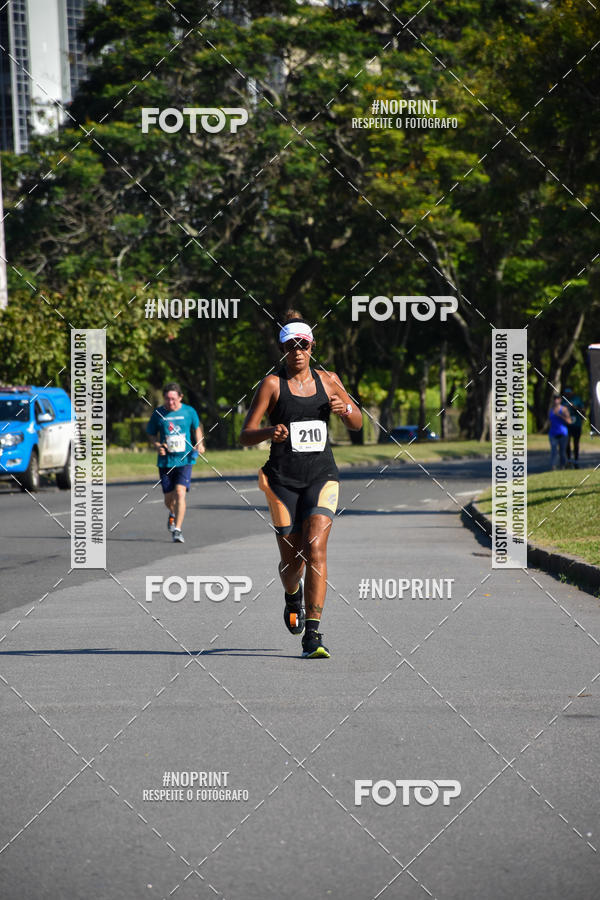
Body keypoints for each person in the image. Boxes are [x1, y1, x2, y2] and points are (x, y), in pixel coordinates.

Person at [240, 312, 363, 658]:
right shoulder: (272, 385)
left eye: (303, 345)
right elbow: (245, 434)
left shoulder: (330, 380)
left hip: (322, 476)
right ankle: (291, 594)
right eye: (290, 346)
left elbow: (357, 423)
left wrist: (345, 408)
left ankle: (313, 634)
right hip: (282, 481)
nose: (297, 352)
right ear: (282, 349)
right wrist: (269, 431)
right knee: (292, 562)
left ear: (312, 347)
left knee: (316, 550)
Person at [146, 382, 204, 543]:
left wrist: (200, 443)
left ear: (180, 397)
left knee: (180, 493)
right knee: (168, 499)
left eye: (173, 399)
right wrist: (158, 446)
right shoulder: (158, 413)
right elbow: (151, 434)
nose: (170, 402)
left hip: (185, 460)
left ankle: (177, 530)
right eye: (167, 399)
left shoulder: (189, 411)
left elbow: (197, 427)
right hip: (165, 462)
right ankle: (172, 513)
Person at [548, 394, 571, 471]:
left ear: (560, 400)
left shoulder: (564, 409)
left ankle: (563, 466)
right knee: (554, 451)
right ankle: (553, 467)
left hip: (563, 433)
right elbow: (550, 421)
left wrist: (560, 415)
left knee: (562, 451)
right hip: (553, 433)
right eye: (554, 399)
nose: (556, 400)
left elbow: (569, 421)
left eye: (557, 399)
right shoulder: (551, 409)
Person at [563, 387, 585, 468]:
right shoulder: (563, 400)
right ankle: (568, 461)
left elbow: (583, 411)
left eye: (569, 392)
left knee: (576, 443)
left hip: (576, 425)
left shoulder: (577, 399)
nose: (568, 394)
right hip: (566, 425)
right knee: (567, 443)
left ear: (572, 392)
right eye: (566, 392)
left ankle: (576, 461)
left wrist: (575, 407)